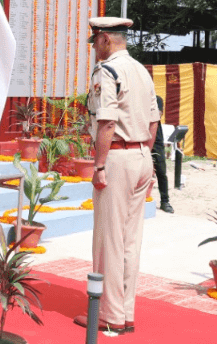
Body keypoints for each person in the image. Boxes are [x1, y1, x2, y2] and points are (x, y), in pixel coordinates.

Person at [74, 17, 159, 335]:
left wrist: (99, 165)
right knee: (130, 240)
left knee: (108, 239)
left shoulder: (107, 70)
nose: (94, 48)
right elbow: (153, 121)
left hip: (118, 157)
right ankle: (125, 312)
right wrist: (143, 155)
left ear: (106, 39)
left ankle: (109, 316)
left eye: (95, 42)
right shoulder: (141, 71)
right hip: (141, 155)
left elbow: (106, 122)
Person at [151, 95, 173, 213]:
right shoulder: (136, 97)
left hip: (155, 140)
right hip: (138, 137)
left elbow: (157, 114)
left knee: (161, 171)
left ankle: (165, 201)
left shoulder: (156, 99)